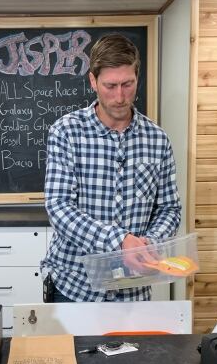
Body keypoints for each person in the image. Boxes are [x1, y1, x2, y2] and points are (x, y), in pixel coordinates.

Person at [41, 33, 182, 302]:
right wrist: (119, 242)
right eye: (110, 85)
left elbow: (169, 208)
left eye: (128, 84)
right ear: (93, 81)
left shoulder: (157, 138)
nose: (120, 96)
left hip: (135, 289)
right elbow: (58, 206)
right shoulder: (66, 132)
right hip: (75, 289)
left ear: (137, 78)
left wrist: (147, 245)